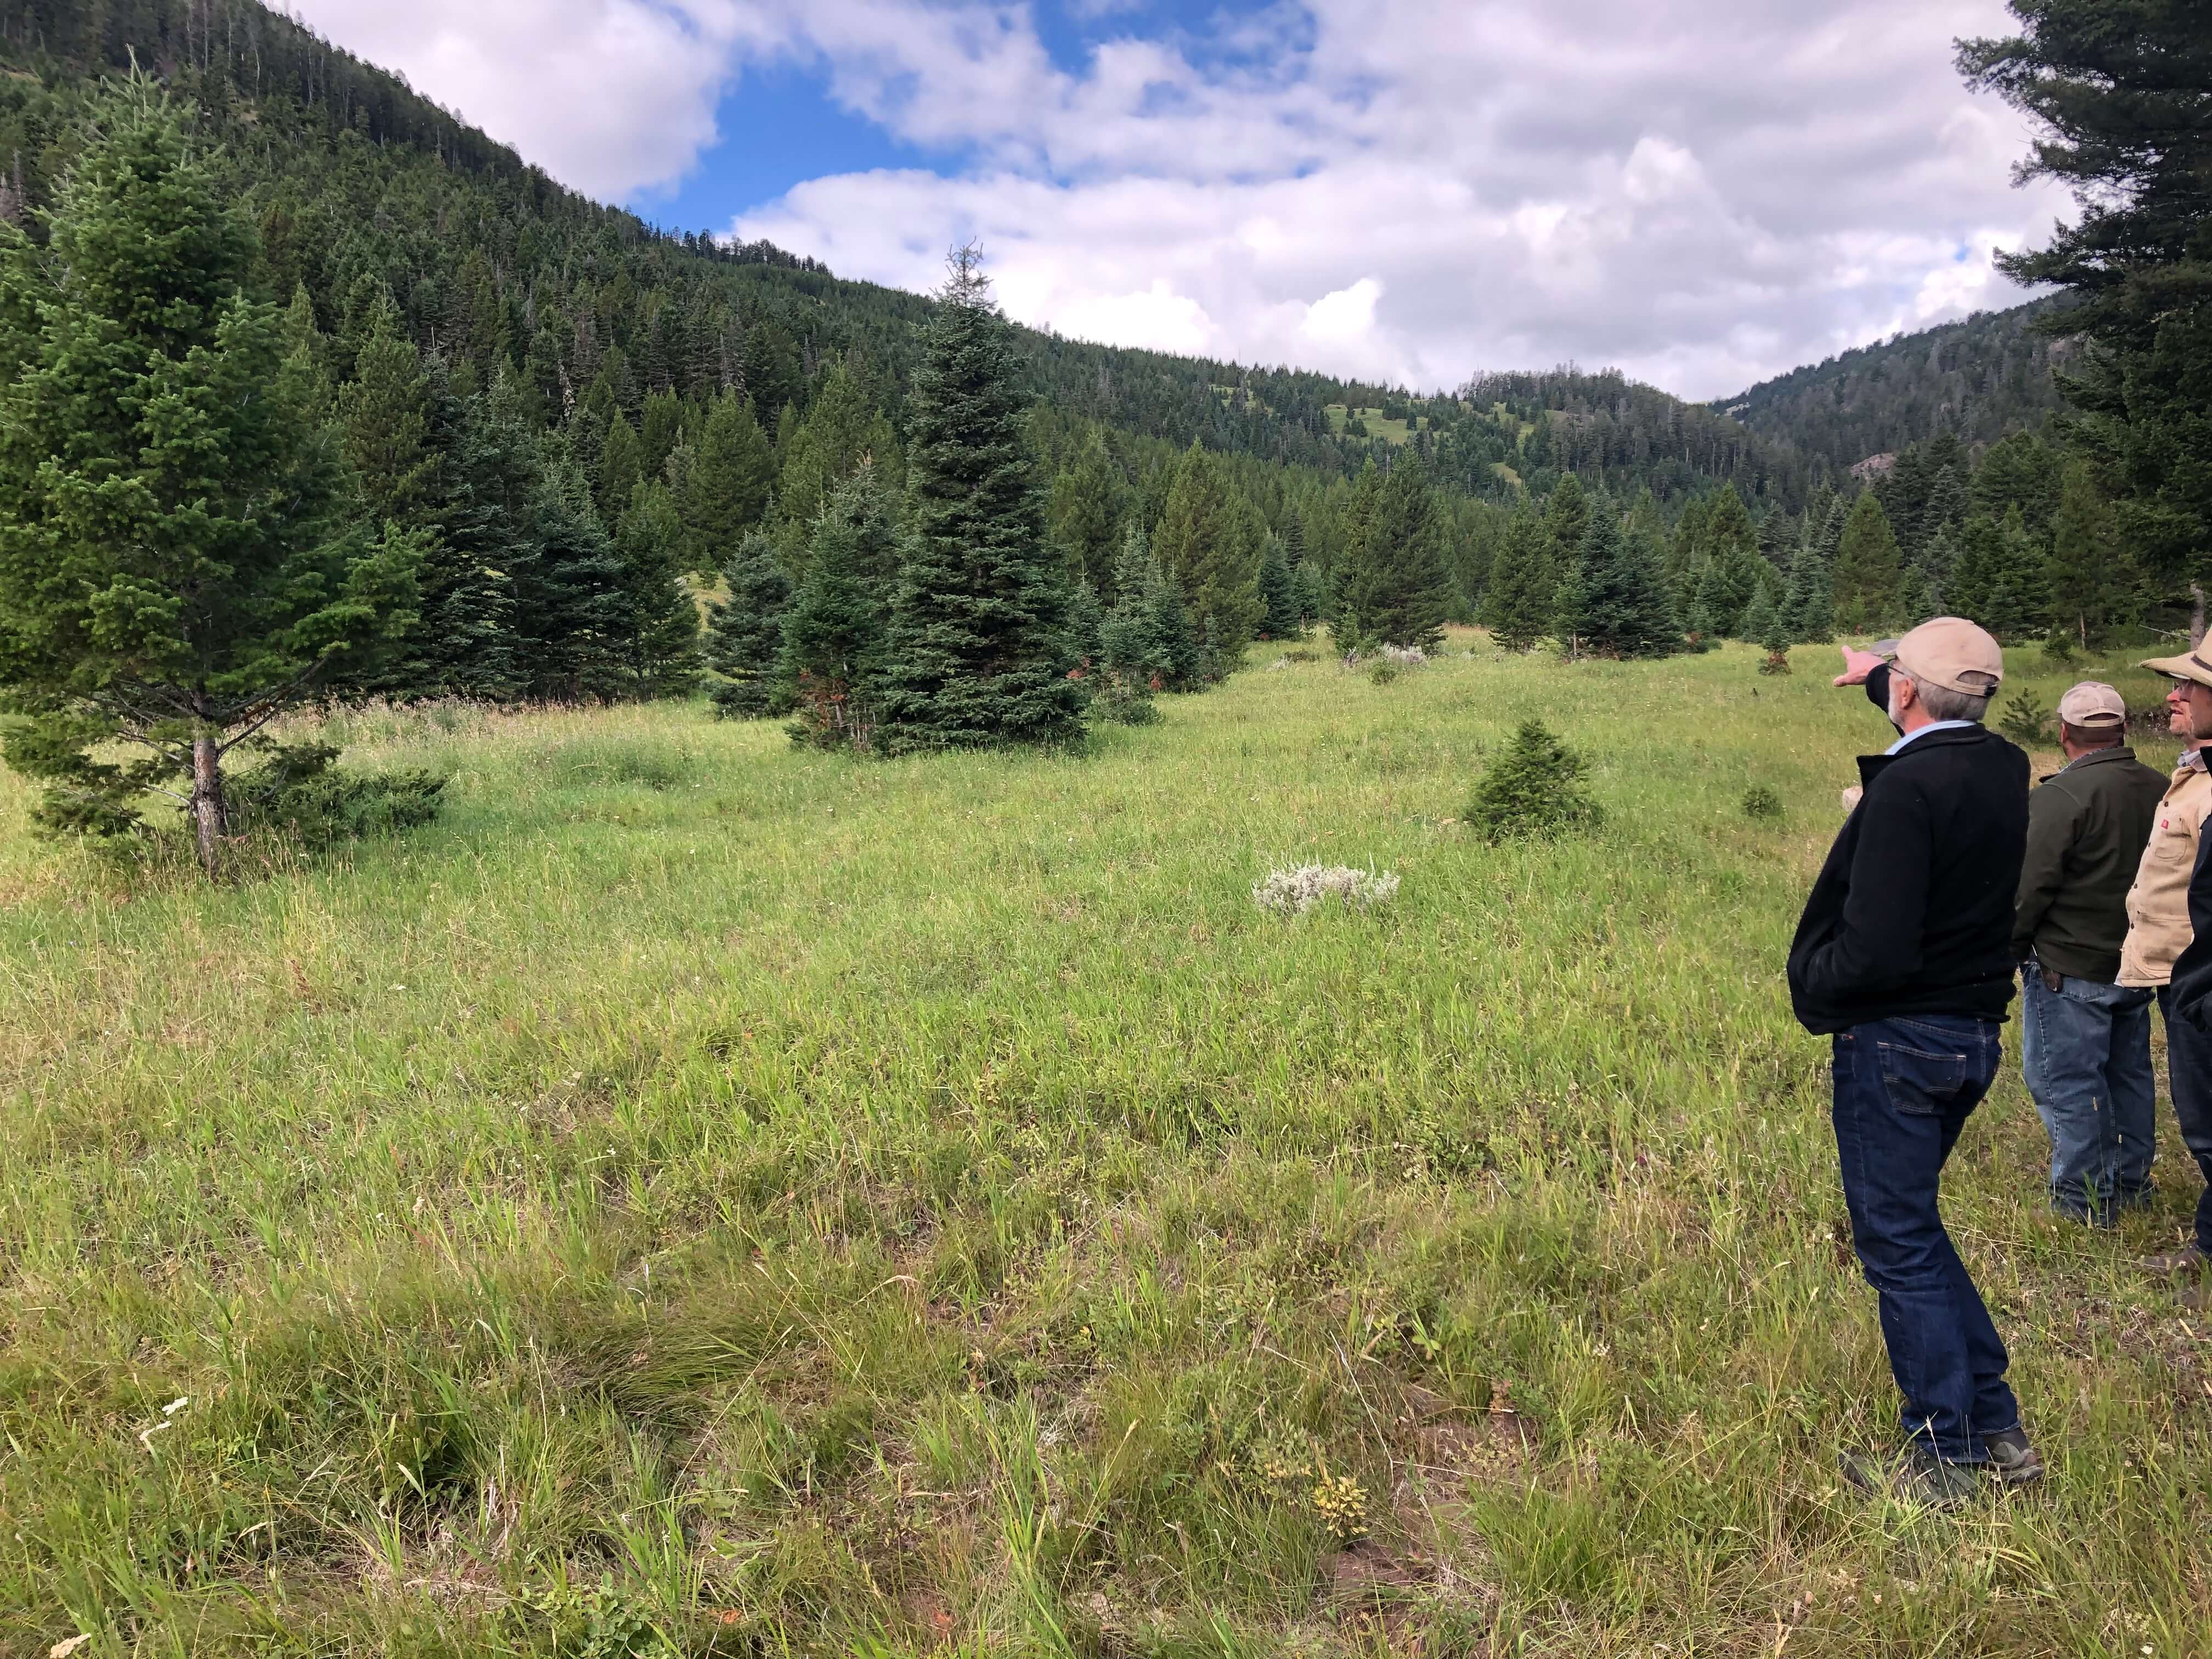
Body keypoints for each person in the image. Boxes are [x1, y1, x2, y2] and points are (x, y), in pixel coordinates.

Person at [1787, 618, 2040, 1503]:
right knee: (1916, 1231)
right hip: (1970, 1030)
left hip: (1898, 1038)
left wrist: (1813, 979)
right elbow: (1930, 712)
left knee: (1896, 1242)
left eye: (1890, 677)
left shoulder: (1907, 787)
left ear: (1903, 690)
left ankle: (1944, 1454)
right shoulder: (2001, 765)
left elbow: (1877, 948)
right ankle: (1995, 1424)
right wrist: (1881, 673)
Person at [2012, 682, 2167, 1223]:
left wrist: (2002, 955)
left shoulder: (2061, 798)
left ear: (2063, 733)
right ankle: (2130, 1183)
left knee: (2066, 1083)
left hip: (2070, 969)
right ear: (2122, 730)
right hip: (2137, 964)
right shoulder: (2163, 788)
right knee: (2128, 1075)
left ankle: (2083, 1203)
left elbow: (2028, 888)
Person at [2118, 647, 2212, 1278]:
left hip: (2201, 988)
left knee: (2209, 1130)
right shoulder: (2197, 772)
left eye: (2189, 685)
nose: (2173, 696)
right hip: (2187, 980)